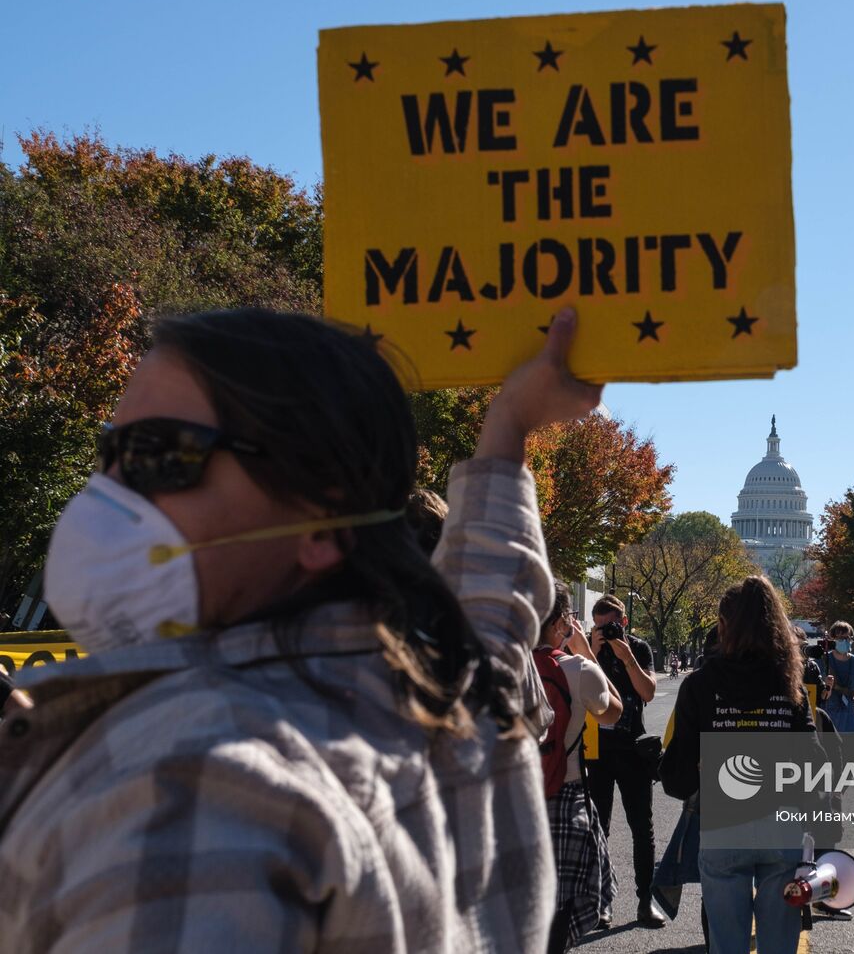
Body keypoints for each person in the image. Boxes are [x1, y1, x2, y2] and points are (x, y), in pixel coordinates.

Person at [0, 306, 602, 952]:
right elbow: (495, 598)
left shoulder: (191, 786)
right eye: (110, 449)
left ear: (321, 518)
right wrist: (509, 424)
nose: (104, 493)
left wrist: (510, 423)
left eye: (160, 454)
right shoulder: (459, 696)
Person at [660, 576, 825, 954]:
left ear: (723, 625)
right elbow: (814, 759)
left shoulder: (700, 684)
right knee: (780, 941)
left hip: (723, 822)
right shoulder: (789, 683)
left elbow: (678, 770)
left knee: (726, 941)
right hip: (781, 822)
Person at [537, 581, 623, 952]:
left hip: (508, 803)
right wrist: (585, 652)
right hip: (566, 798)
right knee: (558, 911)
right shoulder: (578, 670)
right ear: (561, 622)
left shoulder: (498, 665)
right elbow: (613, 714)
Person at [585, 594, 666, 928]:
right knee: (598, 827)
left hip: (633, 749)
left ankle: (645, 901)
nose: (606, 632)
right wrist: (590, 648)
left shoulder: (638, 648)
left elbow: (647, 693)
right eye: (600, 626)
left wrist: (627, 656)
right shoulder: (588, 650)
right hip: (596, 751)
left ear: (624, 622)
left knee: (641, 829)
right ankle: (601, 901)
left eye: (612, 625)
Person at [818, 621, 854, 749]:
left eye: (848, 638)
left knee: (850, 765)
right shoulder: (822, 661)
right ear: (832, 639)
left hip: (849, 725)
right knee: (828, 767)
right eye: (841, 638)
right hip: (826, 725)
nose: (845, 641)